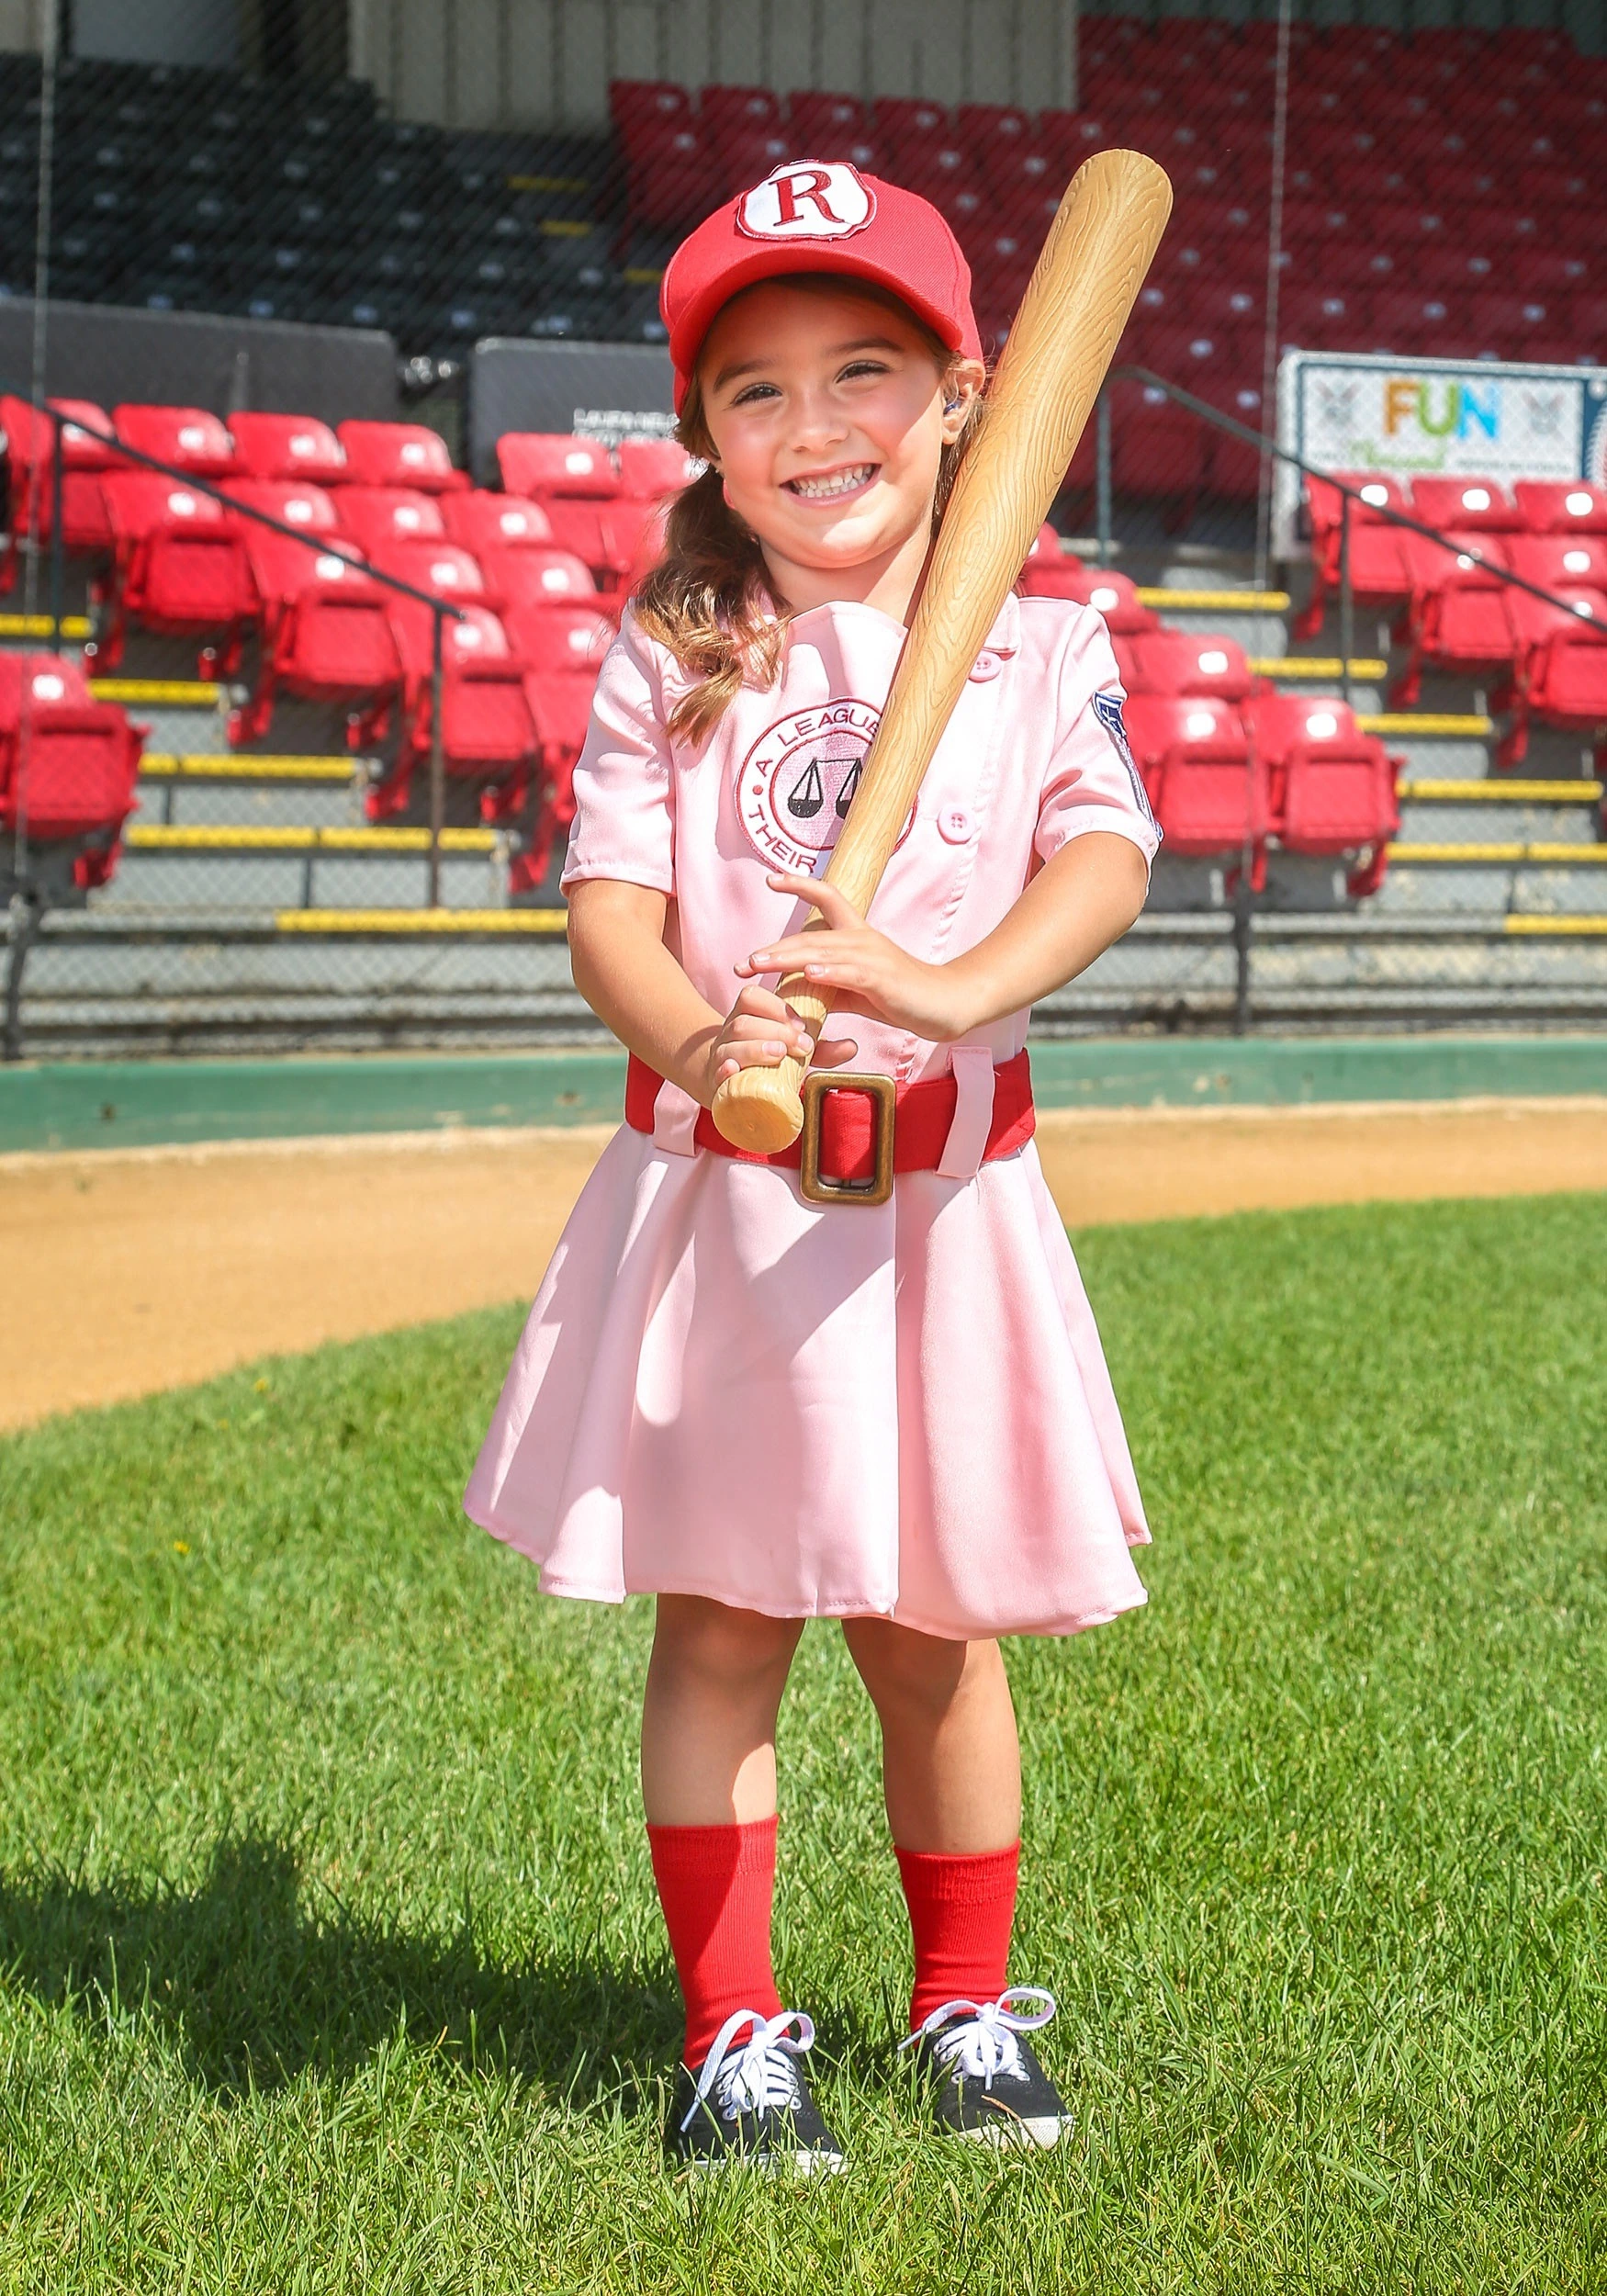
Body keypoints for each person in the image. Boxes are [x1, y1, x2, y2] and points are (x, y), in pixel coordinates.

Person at [465, 158, 1159, 2175]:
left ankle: (960, 2006)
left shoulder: (1039, 644)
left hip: (944, 1209)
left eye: (864, 368)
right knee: (719, 1628)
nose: (810, 424)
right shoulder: (667, 649)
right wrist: (700, 1037)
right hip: (730, 1210)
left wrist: (941, 985)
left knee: (934, 1635)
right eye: (752, 390)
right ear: (699, 436)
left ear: (960, 394)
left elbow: (1101, 859)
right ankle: (730, 2033)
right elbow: (606, 914)